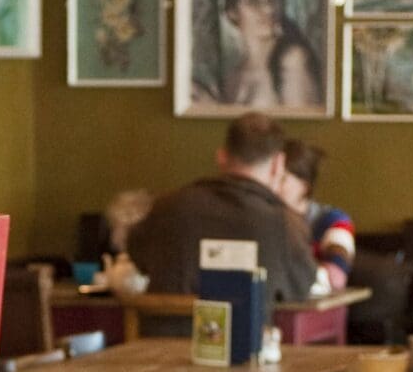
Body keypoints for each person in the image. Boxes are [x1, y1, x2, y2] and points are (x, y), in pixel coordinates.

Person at [124, 112, 318, 301]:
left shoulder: (167, 207)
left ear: (222, 157)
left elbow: (138, 258)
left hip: (163, 333)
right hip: (246, 334)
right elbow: (301, 288)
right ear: (278, 164)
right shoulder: (285, 224)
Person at [197, 0, 321, 112]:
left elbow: (301, 131)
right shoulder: (231, 78)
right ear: (232, 11)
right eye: (253, 1)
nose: (268, 9)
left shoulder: (292, 61)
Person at [278, 140, 354, 294]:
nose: (272, 185)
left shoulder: (335, 221)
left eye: (282, 179)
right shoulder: (261, 218)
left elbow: (335, 276)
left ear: (304, 186)